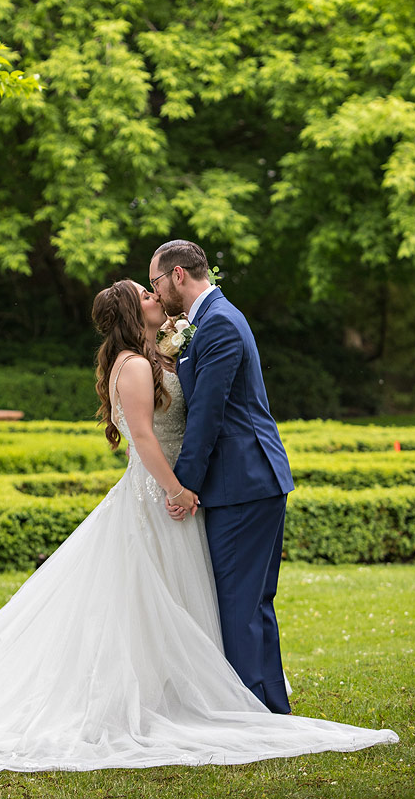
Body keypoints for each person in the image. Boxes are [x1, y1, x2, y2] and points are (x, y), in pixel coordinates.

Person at [0, 276, 398, 772]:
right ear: (131, 312)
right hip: (155, 499)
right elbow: (142, 435)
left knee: (164, 603)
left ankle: (174, 687)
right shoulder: (138, 365)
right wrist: (175, 487)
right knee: (146, 600)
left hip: (161, 498)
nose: (156, 296)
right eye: (147, 294)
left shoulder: (148, 356)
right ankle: (153, 699)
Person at [148, 238, 294, 714]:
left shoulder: (220, 325)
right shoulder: (209, 321)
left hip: (242, 481)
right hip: (250, 480)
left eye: (155, 282)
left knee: (237, 604)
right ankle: (270, 708)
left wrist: (184, 484)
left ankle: (251, 714)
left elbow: (208, 414)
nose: (156, 292)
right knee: (251, 604)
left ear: (177, 276)